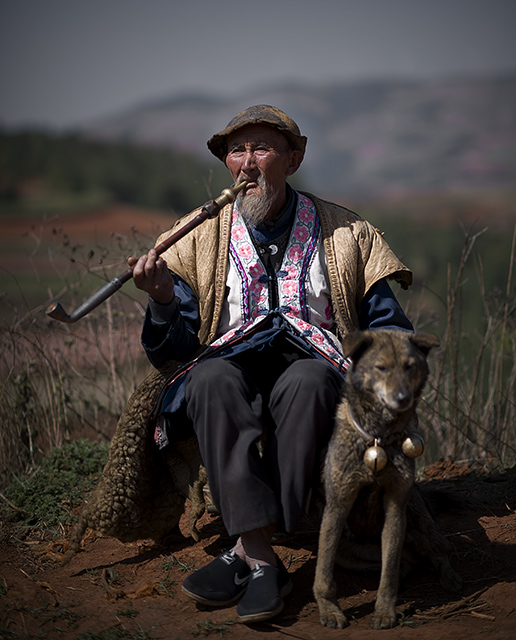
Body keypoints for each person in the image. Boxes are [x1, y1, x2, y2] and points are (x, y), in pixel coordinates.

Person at [129, 105, 414, 624]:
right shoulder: (195, 238)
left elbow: (389, 329)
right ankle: (262, 556)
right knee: (209, 378)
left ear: (294, 158)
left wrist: (389, 387)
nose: (247, 164)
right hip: (229, 368)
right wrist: (164, 298)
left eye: (261, 148)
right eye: (236, 151)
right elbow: (170, 351)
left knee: (306, 381)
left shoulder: (348, 234)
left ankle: (248, 550)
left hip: (316, 371)